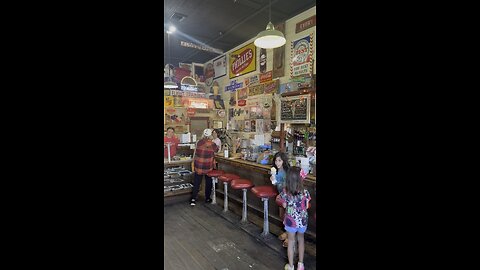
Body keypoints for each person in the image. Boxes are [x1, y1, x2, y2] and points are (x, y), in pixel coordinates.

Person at [276, 166, 311, 270]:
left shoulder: (286, 192)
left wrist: (287, 205)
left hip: (291, 222)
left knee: (291, 242)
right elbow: (307, 205)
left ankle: (290, 266)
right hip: (303, 221)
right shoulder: (305, 192)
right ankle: (301, 264)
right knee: (301, 240)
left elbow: (284, 205)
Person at [190, 128, 219, 206]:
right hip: (207, 167)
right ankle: (207, 198)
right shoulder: (212, 144)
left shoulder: (199, 142)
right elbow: (217, 150)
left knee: (196, 182)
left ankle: (193, 199)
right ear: (210, 135)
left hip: (198, 166)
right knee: (208, 182)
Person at [269, 152, 290, 247]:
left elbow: (286, 186)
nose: (277, 163)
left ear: (284, 161)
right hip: (281, 195)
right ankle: (287, 232)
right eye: (276, 160)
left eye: (279, 160)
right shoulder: (278, 171)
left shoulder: (285, 172)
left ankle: (290, 237)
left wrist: (282, 195)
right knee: (282, 215)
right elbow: (277, 183)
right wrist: (273, 179)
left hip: (287, 196)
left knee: (287, 216)